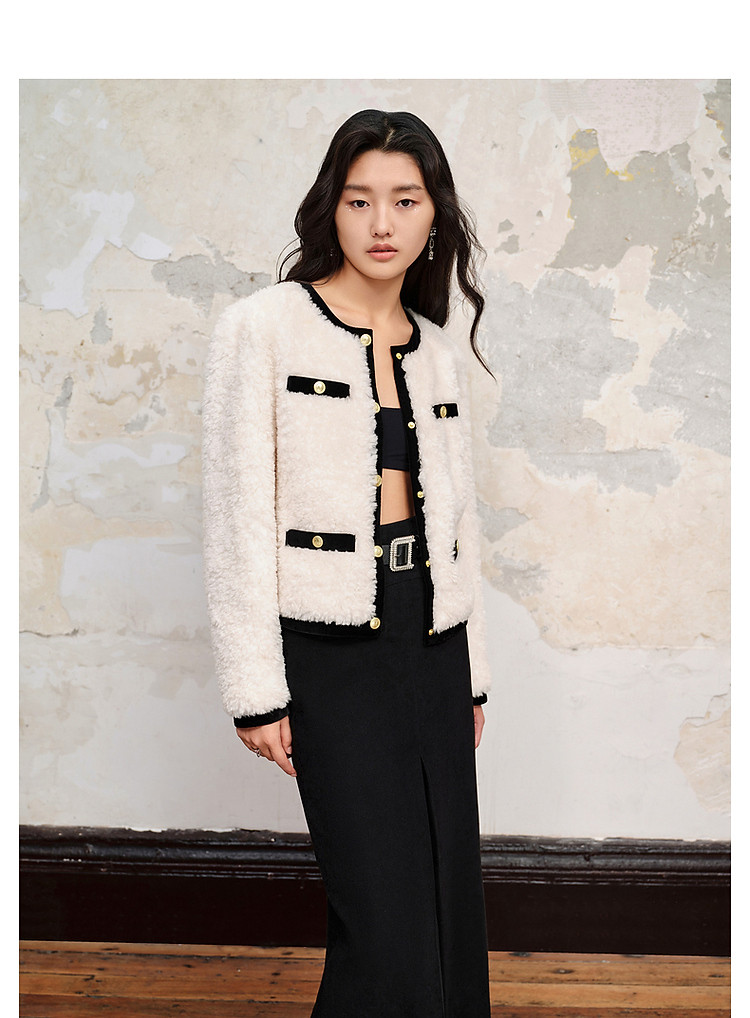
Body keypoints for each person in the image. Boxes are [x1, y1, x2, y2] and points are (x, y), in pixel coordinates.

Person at [202, 109, 493, 1017]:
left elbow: (461, 525)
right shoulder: (262, 328)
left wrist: (473, 676)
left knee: (447, 895)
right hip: (329, 645)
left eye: (405, 200)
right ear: (331, 208)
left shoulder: (436, 348)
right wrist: (255, 690)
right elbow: (235, 514)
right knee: (380, 908)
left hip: (432, 638)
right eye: (360, 199)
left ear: (433, 216)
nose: (381, 223)